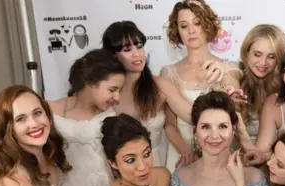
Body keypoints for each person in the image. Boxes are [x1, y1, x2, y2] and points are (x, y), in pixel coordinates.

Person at [102, 21, 244, 168]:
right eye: (127, 49)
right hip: (115, 170)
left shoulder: (160, 85)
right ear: (113, 55)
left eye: (139, 46)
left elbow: (196, 116)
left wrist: (227, 99)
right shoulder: (104, 91)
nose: (137, 53)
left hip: (156, 166)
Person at [47, 49, 127, 186]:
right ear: (91, 82)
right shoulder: (50, 110)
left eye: (119, 90)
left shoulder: (111, 115)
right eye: (112, 89)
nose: (116, 97)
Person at [162, 0, 243, 171]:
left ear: (207, 25)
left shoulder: (229, 68)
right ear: (177, 31)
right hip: (181, 155)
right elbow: (169, 124)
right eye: (184, 26)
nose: (191, 31)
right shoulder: (168, 73)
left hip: (219, 151)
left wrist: (226, 80)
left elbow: (232, 86)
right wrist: (185, 150)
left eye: (197, 23)